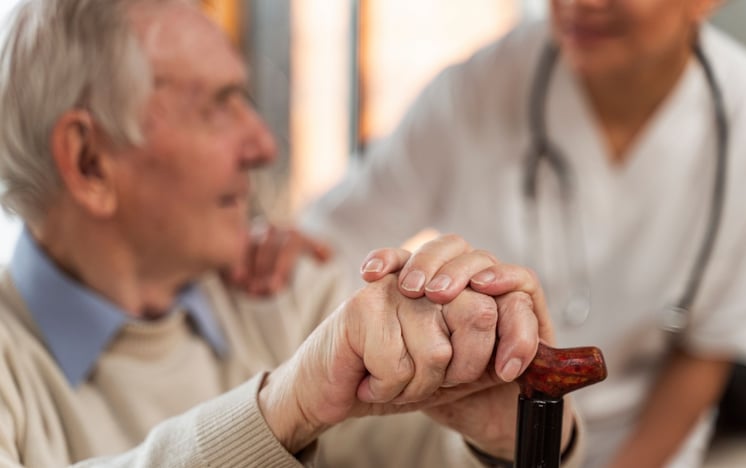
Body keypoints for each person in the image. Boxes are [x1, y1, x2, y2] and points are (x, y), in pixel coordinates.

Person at [0, 0, 585, 466]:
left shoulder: (288, 299)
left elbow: (442, 455)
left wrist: (513, 435)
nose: (264, 145)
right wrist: (281, 409)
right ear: (89, 161)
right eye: (217, 107)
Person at [243, 0, 746, 466]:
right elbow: (339, 232)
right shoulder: (480, 88)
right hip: (489, 437)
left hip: (647, 443)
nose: (580, 5)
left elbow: (706, 351)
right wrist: (287, 246)